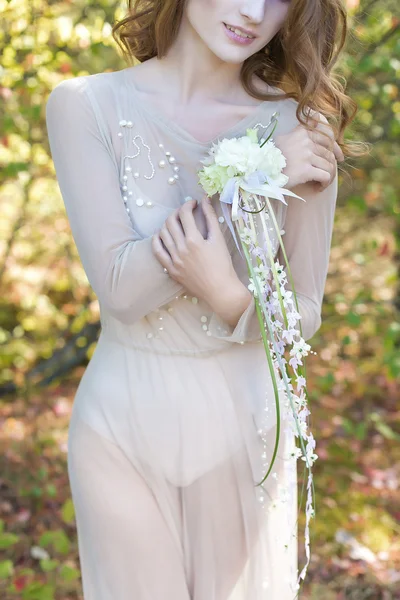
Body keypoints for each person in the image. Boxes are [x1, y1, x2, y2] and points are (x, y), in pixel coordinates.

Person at [45, 0, 355, 598]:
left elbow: (306, 311)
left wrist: (231, 299)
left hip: (244, 427)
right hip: (122, 422)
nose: (252, 11)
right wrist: (250, 184)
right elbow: (120, 288)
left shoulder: (303, 130)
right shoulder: (85, 105)